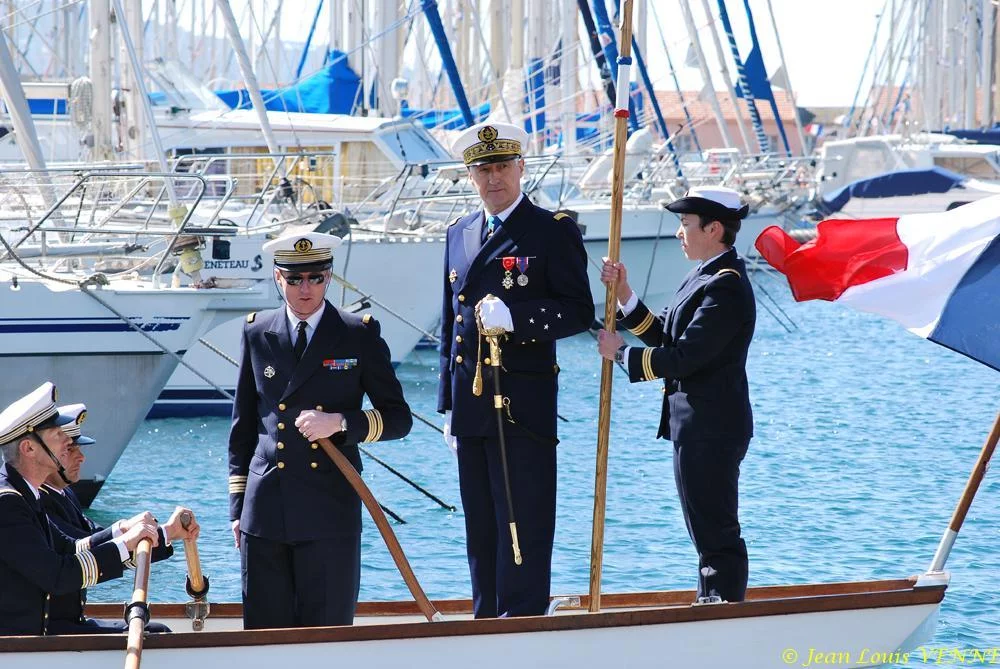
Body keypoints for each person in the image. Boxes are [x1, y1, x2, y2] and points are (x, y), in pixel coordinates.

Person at [438, 122, 594, 618]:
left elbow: (578, 310)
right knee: (480, 528)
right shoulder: (458, 232)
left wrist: (519, 319)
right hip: (471, 404)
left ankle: (522, 623)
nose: (493, 178)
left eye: (502, 167)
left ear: (521, 168)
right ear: (470, 175)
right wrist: (448, 404)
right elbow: (451, 323)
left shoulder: (550, 231)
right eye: (482, 169)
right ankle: (485, 623)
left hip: (521, 405)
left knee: (522, 522)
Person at [229, 230, 413, 629]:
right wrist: (237, 509)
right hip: (266, 511)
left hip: (330, 508)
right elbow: (243, 426)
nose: (305, 288)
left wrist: (342, 423)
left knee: (327, 635)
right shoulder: (256, 331)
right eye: (294, 279)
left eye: (315, 277)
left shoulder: (358, 333)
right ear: (278, 278)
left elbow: (398, 419)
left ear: (329, 277)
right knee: (265, 637)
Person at [597, 186, 756, 603]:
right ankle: (710, 602)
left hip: (712, 427)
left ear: (714, 228)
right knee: (703, 529)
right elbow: (665, 332)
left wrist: (622, 356)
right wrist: (627, 293)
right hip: (694, 426)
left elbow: (686, 357)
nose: (678, 233)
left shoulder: (726, 285)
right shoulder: (702, 275)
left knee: (716, 531)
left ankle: (721, 609)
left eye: (685, 224)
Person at [0, 383, 163, 636]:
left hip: (30, 638)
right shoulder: (8, 503)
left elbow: (69, 548)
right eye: (57, 434)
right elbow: (57, 575)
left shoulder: (22, 495)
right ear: (29, 448)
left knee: (157, 634)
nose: (67, 441)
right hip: (19, 643)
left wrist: (123, 533)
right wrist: (123, 545)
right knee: (157, 637)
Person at [39, 403, 199, 635]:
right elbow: (83, 551)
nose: (81, 457)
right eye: (70, 450)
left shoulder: (64, 495)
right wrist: (160, 533)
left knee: (157, 631)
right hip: (50, 628)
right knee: (158, 635)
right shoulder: (41, 502)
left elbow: (98, 539)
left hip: (69, 620)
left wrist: (166, 532)